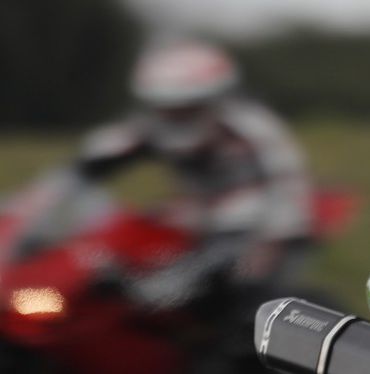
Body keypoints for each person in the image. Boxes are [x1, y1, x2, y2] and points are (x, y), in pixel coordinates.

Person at [63, 40, 314, 314]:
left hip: (251, 230)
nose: (175, 115)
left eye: (187, 106)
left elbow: (287, 183)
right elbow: (89, 162)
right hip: (196, 222)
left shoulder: (252, 128)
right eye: (165, 107)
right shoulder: (147, 127)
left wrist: (272, 242)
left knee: (230, 301)